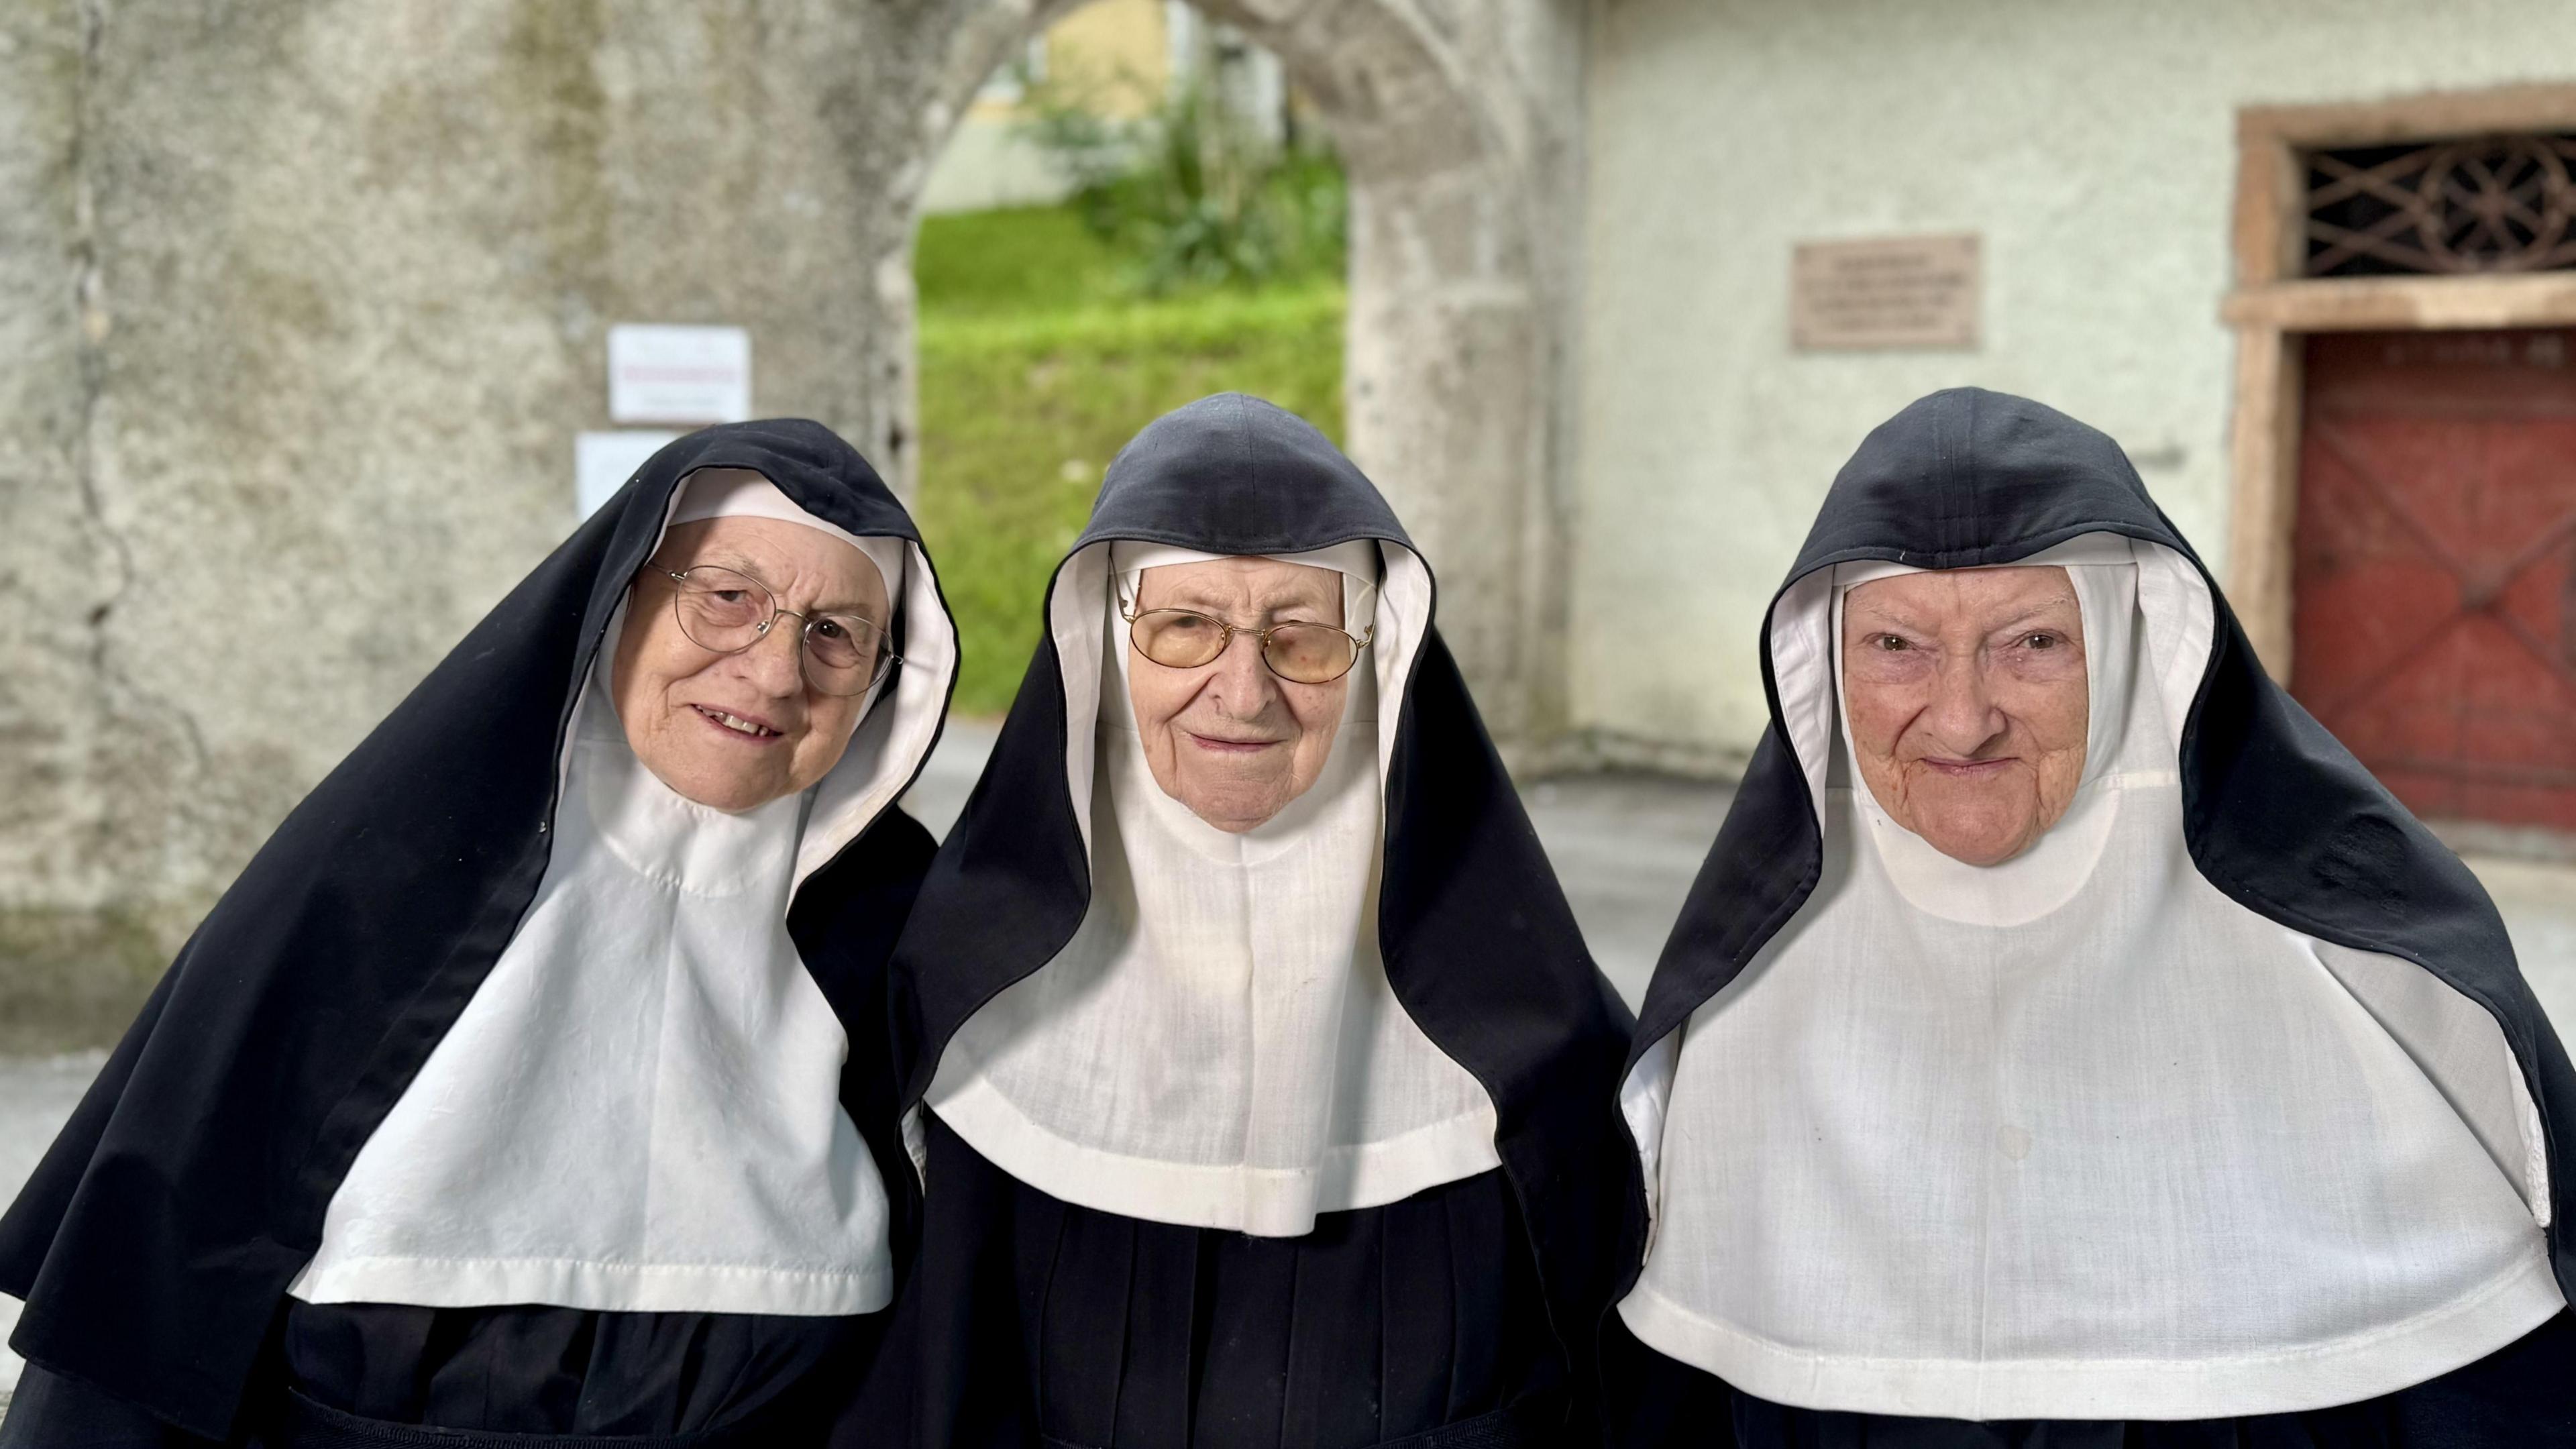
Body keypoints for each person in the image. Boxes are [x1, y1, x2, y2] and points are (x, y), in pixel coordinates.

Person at [1611, 388, 2576, 1444]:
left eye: (2032, 642)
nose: (1965, 718)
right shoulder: (1732, 1019)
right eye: (1896, 646)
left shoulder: (2370, 988)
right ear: (1826, 665)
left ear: (2129, 642)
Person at [0, 421, 959, 1446]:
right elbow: (157, 1295)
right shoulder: (392, 870)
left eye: (835, 635)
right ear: (621, 591)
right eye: (728, 599)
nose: (775, 674)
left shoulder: (902, 921)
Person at [869, 393, 1634, 1448]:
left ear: (1378, 662)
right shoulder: (961, 1011)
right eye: (1184, 626)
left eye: (1302, 635)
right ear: (1101, 647)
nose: (1243, 694)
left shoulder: (1543, 1042)